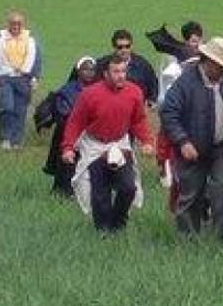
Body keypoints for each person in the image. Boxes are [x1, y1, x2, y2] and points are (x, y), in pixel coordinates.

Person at [159, 37, 223, 239]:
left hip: (222, 148)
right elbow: (169, 113)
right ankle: (188, 239)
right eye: (220, 66)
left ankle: (221, 237)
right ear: (208, 61)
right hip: (192, 149)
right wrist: (183, 141)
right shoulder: (185, 82)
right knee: (191, 195)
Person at [60, 55, 155, 233]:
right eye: (116, 71)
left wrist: (147, 141)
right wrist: (68, 148)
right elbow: (76, 122)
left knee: (128, 187)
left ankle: (118, 224)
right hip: (95, 146)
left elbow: (138, 121)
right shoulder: (89, 95)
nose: (121, 75)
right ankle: (103, 231)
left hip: (120, 145)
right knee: (100, 193)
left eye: (123, 71)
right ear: (105, 74)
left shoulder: (134, 92)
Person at [36, 57, 100, 197]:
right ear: (78, 71)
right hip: (68, 136)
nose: (89, 72)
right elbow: (62, 113)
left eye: (92, 69)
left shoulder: (100, 90)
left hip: (92, 137)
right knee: (66, 168)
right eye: (85, 69)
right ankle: (63, 193)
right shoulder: (67, 91)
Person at [0, 11, 41, 150]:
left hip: (23, 79)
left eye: (19, 24)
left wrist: (35, 77)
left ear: (23, 25)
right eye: (13, 23)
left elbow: (37, 59)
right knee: (7, 107)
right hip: (4, 78)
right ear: (8, 24)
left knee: (20, 110)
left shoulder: (30, 39)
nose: (16, 26)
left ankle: (16, 141)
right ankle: (5, 139)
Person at [96, 29, 160, 107]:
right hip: (111, 106)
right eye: (120, 47)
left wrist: (152, 101)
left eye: (127, 46)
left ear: (132, 46)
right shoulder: (103, 64)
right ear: (114, 47)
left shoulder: (143, 65)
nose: (124, 50)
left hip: (136, 108)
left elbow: (153, 85)